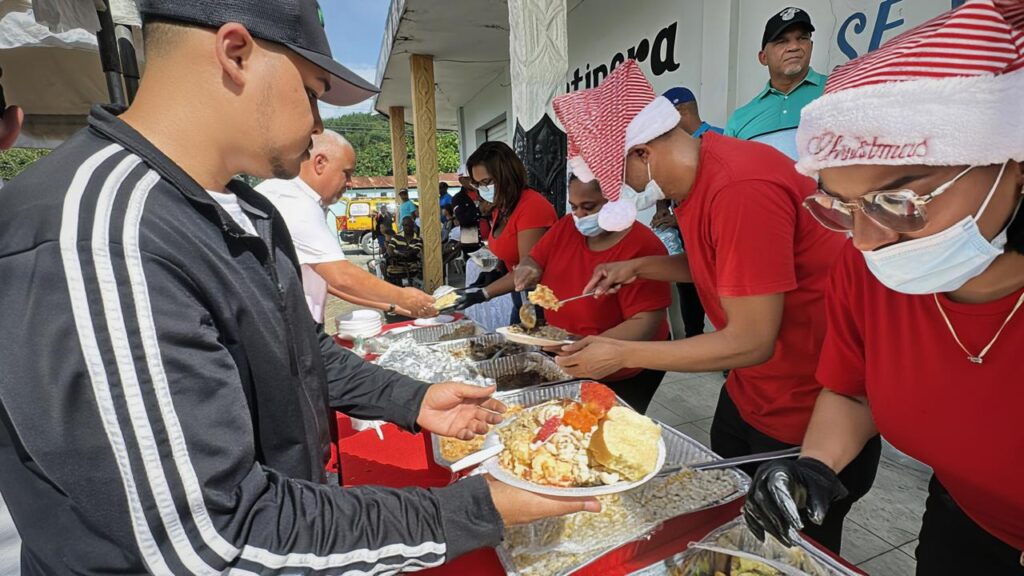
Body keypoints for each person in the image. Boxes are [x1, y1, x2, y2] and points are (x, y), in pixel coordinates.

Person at [0, 2, 598, 573]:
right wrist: (477, 509)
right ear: (235, 52)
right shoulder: (102, 235)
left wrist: (408, 399)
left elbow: (300, 350)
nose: (317, 124)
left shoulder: (245, 208)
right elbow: (212, 540)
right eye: (312, 92)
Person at [551, 59, 879, 554]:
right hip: (751, 395)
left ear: (643, 153)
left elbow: (750, 339)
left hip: (807, 410)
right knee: (732, 528)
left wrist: (623, 353)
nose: (628, 191)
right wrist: (641, 266)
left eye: (621, 179)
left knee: (786, 554)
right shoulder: (699, 180)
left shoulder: (740, 189)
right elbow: (727, 265)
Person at [742, 2, 1024, 573]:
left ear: (1012, 163)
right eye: (840, 207)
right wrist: (815, 464)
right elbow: (852, 390)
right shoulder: (867, 272)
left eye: (895, 201)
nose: (867, 239)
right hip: (963, 519)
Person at [513, 174, 672, 412]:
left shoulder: (644, 246)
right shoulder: (567, 226)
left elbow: (645, 323)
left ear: (616, 200)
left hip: (623, 368)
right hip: (569, 355)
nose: (579, 216)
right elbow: (535, 258)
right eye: (574, 207)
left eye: (588, 207)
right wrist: (528, 266)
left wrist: (585, 345)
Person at [257, 130, 436, 320]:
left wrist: (395, 306)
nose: (350, 183)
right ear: (320, 163)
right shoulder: (294, 201)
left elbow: (329, 282)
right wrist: (404, 297)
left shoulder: (301, 198)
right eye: (347, 173)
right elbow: (341, 277)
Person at [455, 141, 558, 323]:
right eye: (478, 184)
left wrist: (484, 294)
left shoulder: (532, 207)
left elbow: (528, 270)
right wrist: (497, 270)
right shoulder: (501, 208)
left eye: (487, 182)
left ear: (506, 175)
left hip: (543, 300)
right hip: (521, 298)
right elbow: (508, 252)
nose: (483, 189)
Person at [724, 7, 825, 160]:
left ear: (811, 46)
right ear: (763, 57)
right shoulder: (739, 120)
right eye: (782, 41)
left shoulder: (839, 91)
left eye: (802, 38)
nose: (794, 47)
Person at [652, 199, 704, 338]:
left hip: (704, 235)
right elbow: (665, 191)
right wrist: (661, 208)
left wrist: (682, 218)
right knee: (687, 288)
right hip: (682, 237)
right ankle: (694, 338)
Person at [452, 164, 483, 257]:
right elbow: (463, 219)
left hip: (491, 240)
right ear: (461, 180)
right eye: (470, 178)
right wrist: (479, 210)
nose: (474, 181)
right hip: (471, 243)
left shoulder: (484, 192)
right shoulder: (458, 198)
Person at [387, 216, 425, 285]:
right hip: (397, 266)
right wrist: (401, 254)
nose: (405, 227)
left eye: (407, 225)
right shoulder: (396, 237)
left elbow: (414, 252)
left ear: (413, 225)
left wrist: (397, 252)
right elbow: (390, 250)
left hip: (412, 267)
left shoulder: (418, 239)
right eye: (403, 225)